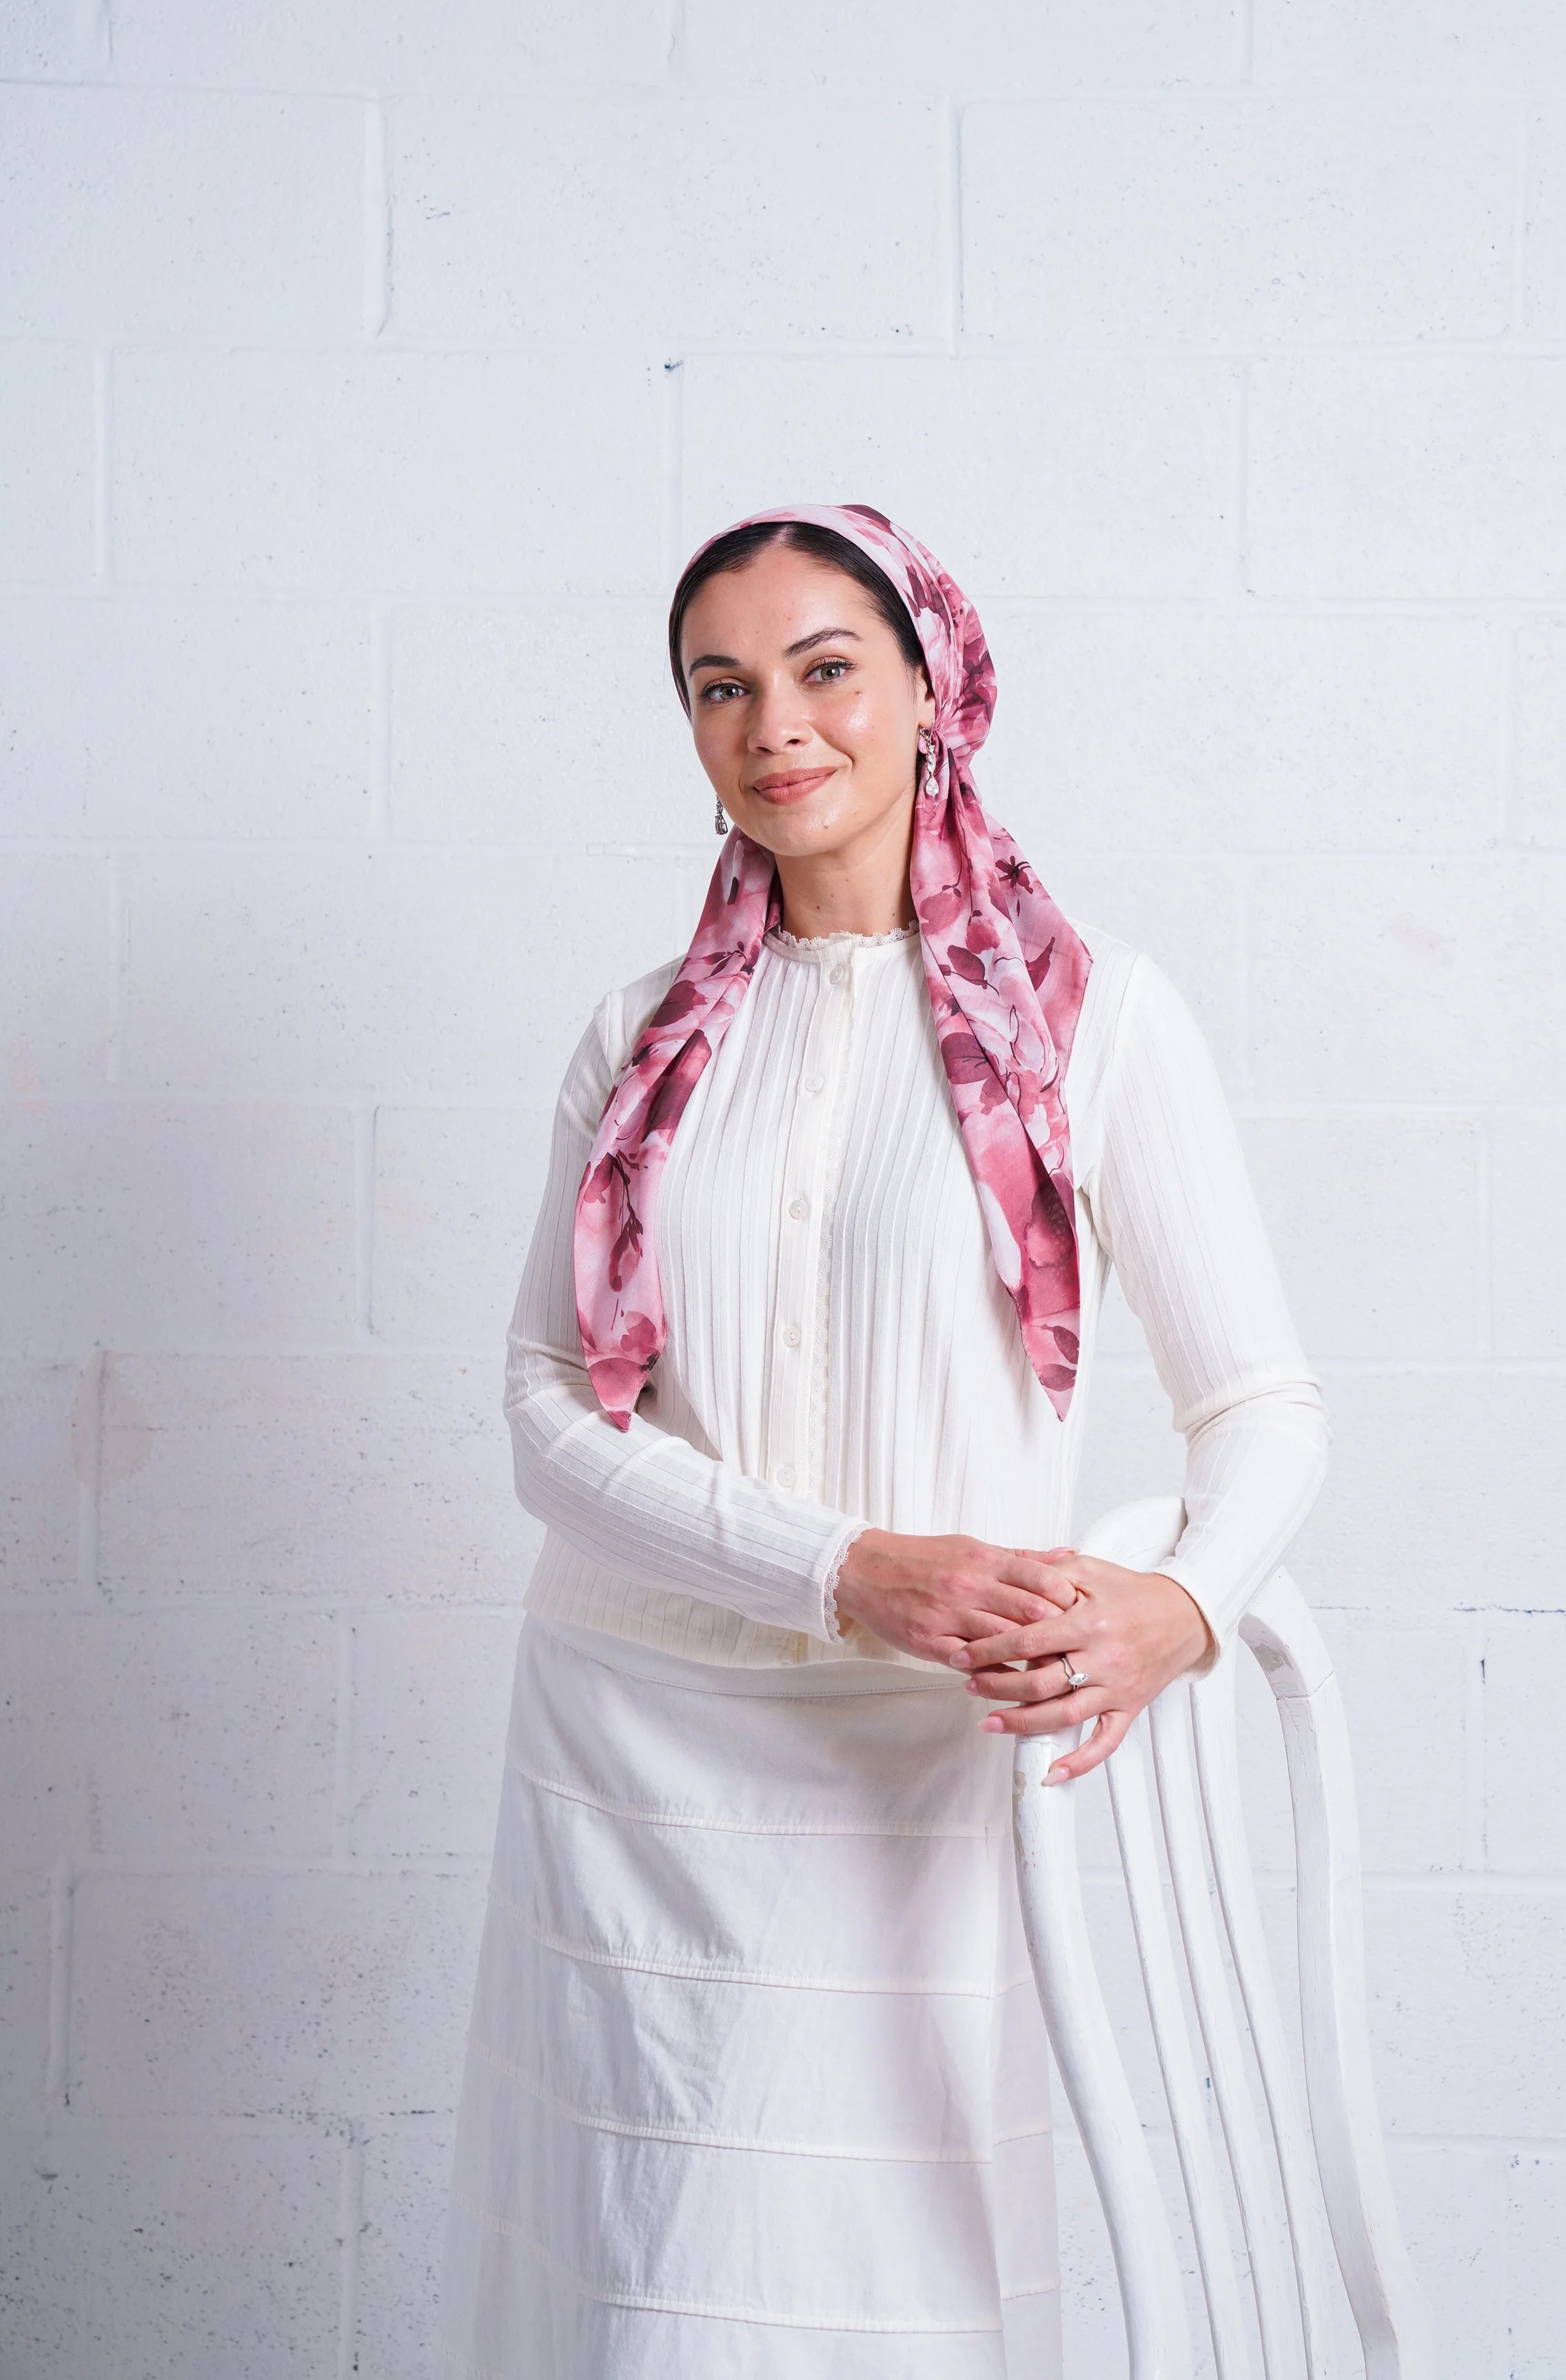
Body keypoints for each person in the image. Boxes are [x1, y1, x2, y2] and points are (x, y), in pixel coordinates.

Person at [437, 503, 1329, 2379]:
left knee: (864, 2306)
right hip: (621, 1750)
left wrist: (1176, 1609)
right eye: (720, 687)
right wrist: (839, 1567)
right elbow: (540, 1410)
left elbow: (1261, 1411)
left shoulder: (1095, 1029)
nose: (778, 724)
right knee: (622, 2301)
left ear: (934, 690)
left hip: (913, 1778)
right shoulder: (634, 1040)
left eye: (826, 667)